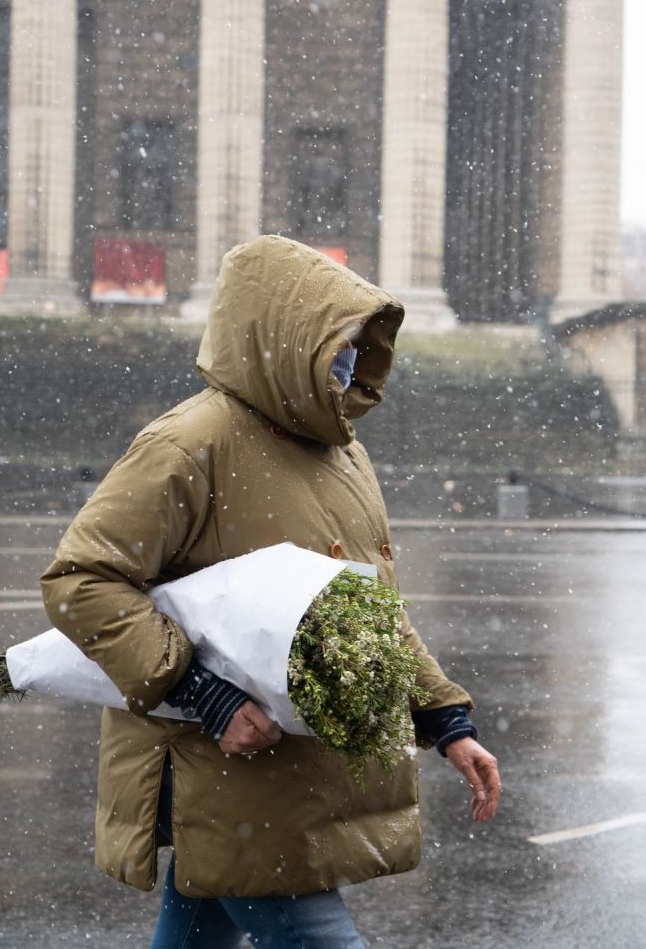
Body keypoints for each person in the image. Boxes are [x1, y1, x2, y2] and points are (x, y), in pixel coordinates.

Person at [41, 235, 501, 948]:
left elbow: (365, 609)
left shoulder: (342, 451)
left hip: (292, 769)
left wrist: (445, 720)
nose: (351, 361)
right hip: (224, 769)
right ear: (285, 338)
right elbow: (82, 581)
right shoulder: (190, 443)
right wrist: (208, 694)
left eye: (357, 344)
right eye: (338, 341)